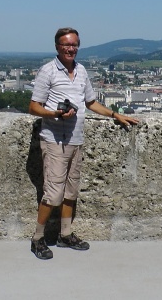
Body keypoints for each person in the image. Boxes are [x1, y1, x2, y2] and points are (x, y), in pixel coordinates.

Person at [28, 27, 139, 260]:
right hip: (55, 141)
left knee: (71, 191)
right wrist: (56, 114)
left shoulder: (81, 70)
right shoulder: (47, 71)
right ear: (57, 47)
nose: (71, 49)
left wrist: (114, 114)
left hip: (76, 140)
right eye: (66, 45)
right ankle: (37, 238)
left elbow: (90, 102)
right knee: (52, 194)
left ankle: (65, 234)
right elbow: (33, 107)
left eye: (74, 44)